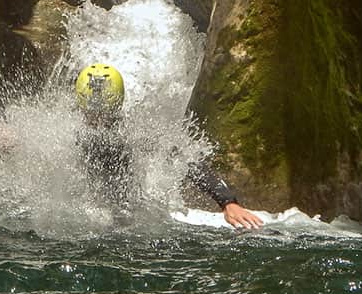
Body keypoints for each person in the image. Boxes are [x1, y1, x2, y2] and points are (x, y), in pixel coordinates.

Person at [73, 63, 265, 229]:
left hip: (126, 220)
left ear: (116, 107)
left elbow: (186, 162)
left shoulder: (133, 136)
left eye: (104, 113)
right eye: (92, 113)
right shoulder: (68, 134)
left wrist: (228, 202)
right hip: (91, 217)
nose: (97, 120)